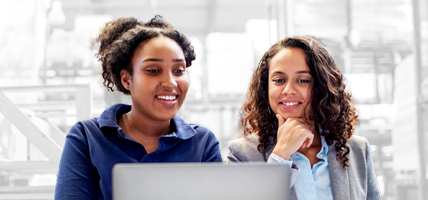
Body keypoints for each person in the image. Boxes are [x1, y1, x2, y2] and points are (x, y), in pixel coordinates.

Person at [55, 16, 222, 200]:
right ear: (127, 79)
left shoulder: (203, 144)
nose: (170, 83)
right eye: (153, 70)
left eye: (179, 70)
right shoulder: (87, 138)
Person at [226, 36, 381, 200]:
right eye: (279, 80)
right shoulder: (242, 154)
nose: (288, 90)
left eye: (303, 80)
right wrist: (280, 156)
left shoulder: (357, 150)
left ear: (321, 87)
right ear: (266, 88)